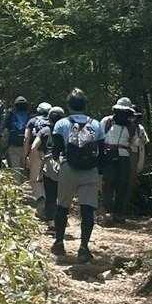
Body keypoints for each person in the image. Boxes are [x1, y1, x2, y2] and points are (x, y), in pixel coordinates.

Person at [50, 90, 104, 263]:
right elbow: (102, 152)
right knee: (87, 210)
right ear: (85, 105)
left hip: (68, 168)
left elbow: (56, 150)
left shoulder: (61, 123)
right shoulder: (96, 124)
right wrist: (99, 173)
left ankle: (59, 243)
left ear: (68, 106)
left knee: (62, 206)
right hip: (90, 170)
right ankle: (84, 248)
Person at [100, 97, 140, 225]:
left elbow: (135, 144)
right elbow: (99, 138)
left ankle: (118, 213)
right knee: (107, 182)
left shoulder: (133, 127)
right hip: (108, 154)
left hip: (124, 156)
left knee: (122, 184)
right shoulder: (106, 122)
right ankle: (106, 211)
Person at [31, 104, 64, 225]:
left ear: (49, 118)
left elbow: (34, 147)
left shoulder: (44, 130)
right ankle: (60, 219)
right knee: (62, 195)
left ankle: (51, 222)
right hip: (64, 164)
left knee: (50, 194)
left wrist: (40, 157)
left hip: (49, 164)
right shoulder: (66, 130)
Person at [3, 95, 32, 182]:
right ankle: (25, 186)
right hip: (27, 147)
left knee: (15, 169)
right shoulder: (30, 116)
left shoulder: (11, 115)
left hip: (13, 145)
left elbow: (6, 131)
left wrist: (4, 145)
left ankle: (17, 187)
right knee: (25, 169)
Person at [24, 101, 53, 188]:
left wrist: (25, 155)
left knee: (33, 178)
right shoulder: (52, 122)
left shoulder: (32, 121)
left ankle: (35, 194)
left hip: (35, 151)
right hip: (49, 152)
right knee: (47, 178)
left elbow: (26, 138)